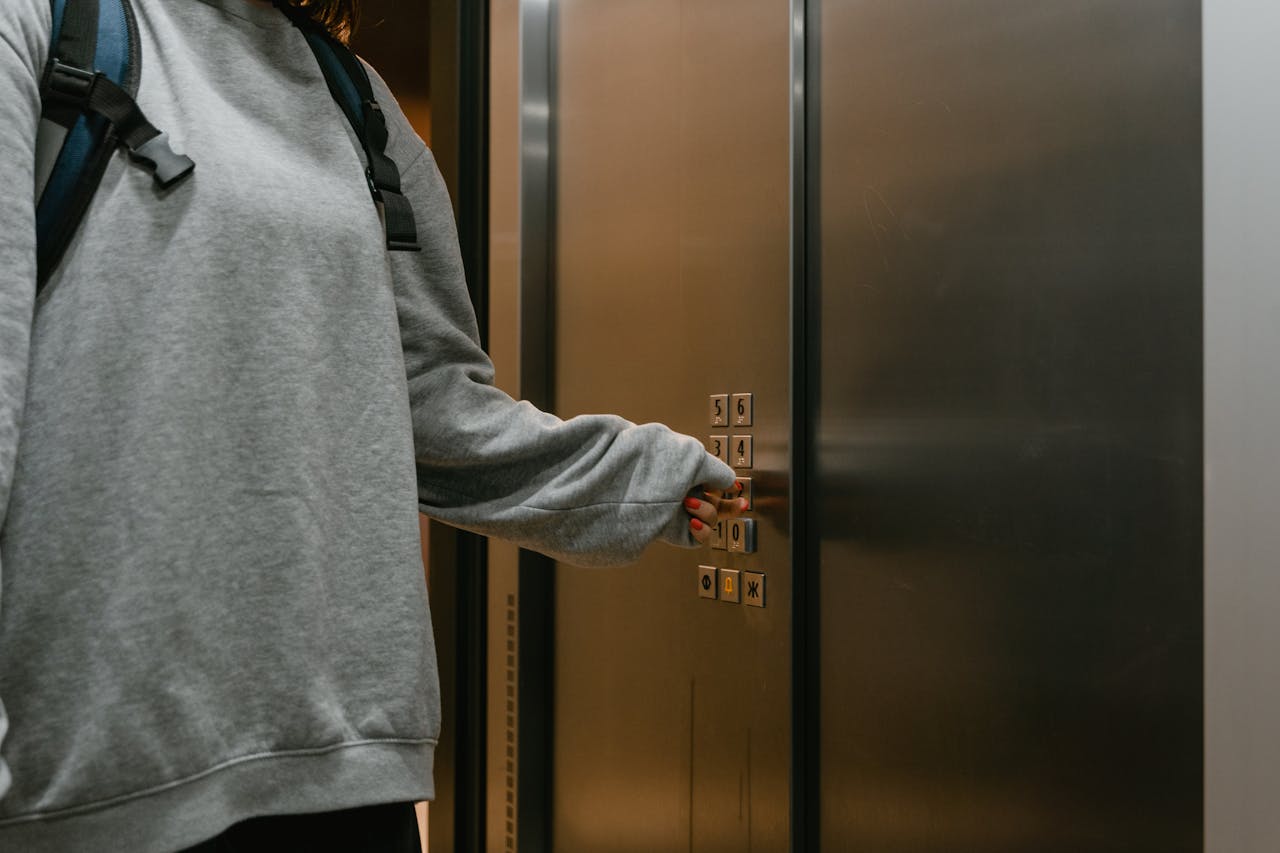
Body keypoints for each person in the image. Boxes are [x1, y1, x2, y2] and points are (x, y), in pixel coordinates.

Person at [0, 0, 746, 849]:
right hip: (93, 787)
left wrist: (646, 477)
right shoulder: (49, 24)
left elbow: (430, 404)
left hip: (348, 771)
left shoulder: (353, 99)